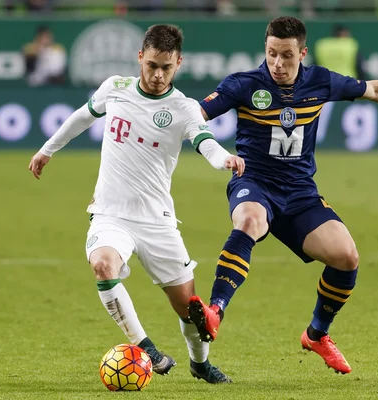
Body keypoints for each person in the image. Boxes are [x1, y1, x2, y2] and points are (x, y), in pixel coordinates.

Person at [188, 16, 378, 374]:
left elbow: (373, 89)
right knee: (249, 220)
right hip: (255, 182)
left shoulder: (319, 81)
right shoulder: (243, 84)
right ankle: (215, 311)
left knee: (346, 257)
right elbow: (195, 113)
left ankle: (317, 335)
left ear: (302, 53)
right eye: (272, 53)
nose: (278, 63)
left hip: (301, 193)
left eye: (287, 56)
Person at [28, 24, 244, 384]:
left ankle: (199, 363)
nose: (158, 75)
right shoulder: (115, 88)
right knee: (103, 265)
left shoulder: (184, 107)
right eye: (152, 65)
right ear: (140, 57)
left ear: (179, 64)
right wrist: (47, 150)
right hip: (111, 214)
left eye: (167, 68)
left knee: (189, 308)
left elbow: (205, 141)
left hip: (157, 221)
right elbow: (82, 117)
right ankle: (146, 349)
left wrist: (225, 160)